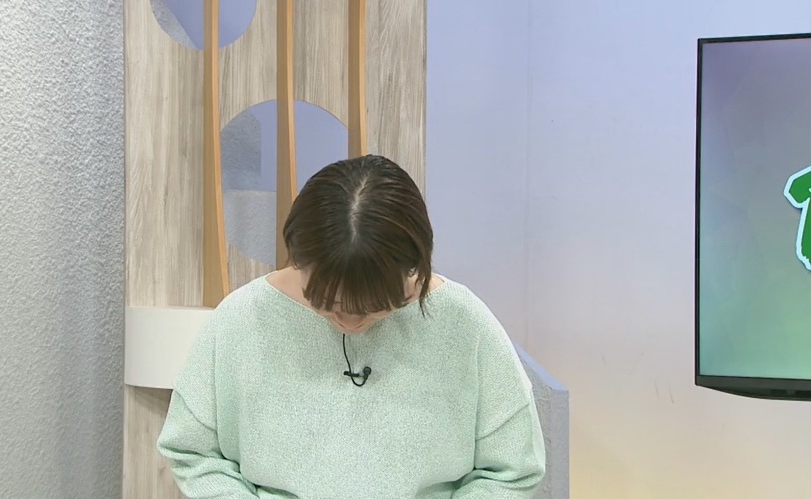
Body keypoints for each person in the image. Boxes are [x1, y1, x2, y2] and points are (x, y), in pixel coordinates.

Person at [156, 155, 546, 498]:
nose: (350, 322)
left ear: (415, 268)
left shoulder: (463, 322)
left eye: (378, 307)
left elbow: (512, 469)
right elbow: (193, 452)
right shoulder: (242, 319)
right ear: (298, 260)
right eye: (328, 304)